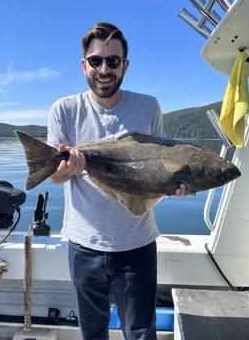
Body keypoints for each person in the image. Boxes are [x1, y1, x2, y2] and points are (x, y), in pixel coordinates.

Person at [47, 22, 188, 340]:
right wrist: (66, 170)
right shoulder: (64, 110)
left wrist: (174, 185)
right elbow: (54, 176)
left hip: (137, 245)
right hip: (84, 246)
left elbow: (159, 166)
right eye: (96, 60)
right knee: (92, 333)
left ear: (125, 65)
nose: (104, 69)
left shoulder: (148, 106)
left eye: (113, 61)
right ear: (84, 64)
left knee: (140, 333)